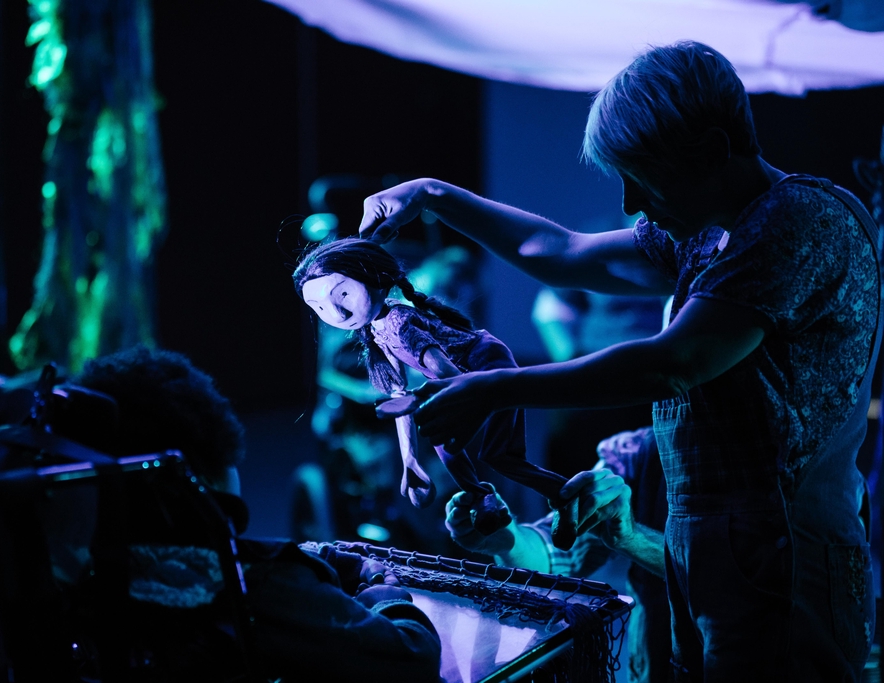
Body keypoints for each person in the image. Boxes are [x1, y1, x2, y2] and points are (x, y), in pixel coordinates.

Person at [359, 40, 880, 681]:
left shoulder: (796, 223)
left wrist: (493, 389)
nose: (632, 202)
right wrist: (434, 194)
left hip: (786, 556)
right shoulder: (708, 233)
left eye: (643, 175)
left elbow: (673, 362)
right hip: (723, 553)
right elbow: (559, 250)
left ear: (713, 151)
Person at [72, 345, 442, 682]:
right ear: (210, 461)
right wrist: (384, 594)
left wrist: (311, 561)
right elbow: (412, 655)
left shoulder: (91, 581)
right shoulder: (255, 588)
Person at [294, 238, 571, 536]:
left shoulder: (399, 323)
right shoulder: (377, 332)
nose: (336, 313)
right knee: (476, 450)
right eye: (319, 307)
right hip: (467, 378)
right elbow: (400, 393)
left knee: (487, 452)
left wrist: (421, 401)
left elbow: (450, 376)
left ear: (375, 278)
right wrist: (409, 460)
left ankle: (549, 498)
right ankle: (509, 499)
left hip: (486, 366)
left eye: (344, 294)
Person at [449, 427, 669, 683]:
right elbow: (555, 560)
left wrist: (634, 539)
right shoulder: (637, 452)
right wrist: (508, 541)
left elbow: (722, 578)